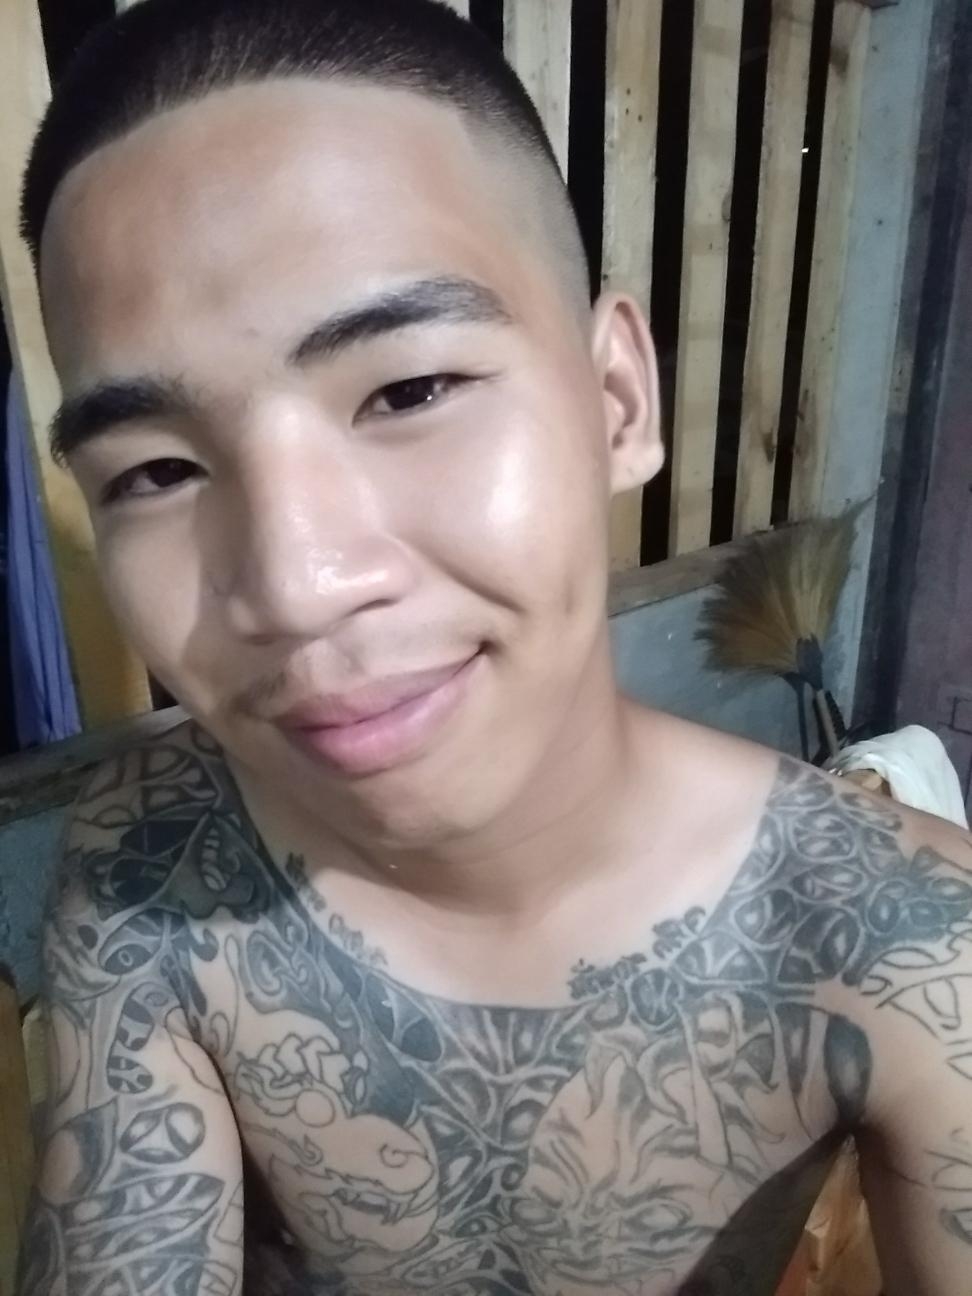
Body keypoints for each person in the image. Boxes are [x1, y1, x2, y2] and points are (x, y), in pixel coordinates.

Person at [15, 1, 972, 1292]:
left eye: (408, 391)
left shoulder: (911, 939)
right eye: (158, 471)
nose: (295, 587)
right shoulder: (153, 875)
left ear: (616, 400)